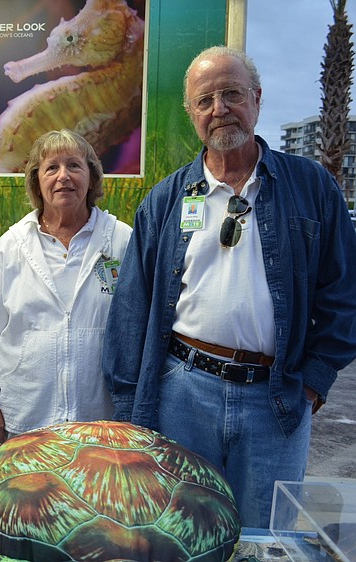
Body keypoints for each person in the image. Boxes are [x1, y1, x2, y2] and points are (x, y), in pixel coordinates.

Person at [103, 46, 356, 528]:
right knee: (182, 535)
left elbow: (345, 293)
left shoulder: (311, 187)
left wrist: (314, 380)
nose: (219, 109)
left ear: (257, 98)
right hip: (182, 397)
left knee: (264, 538)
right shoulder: (165, 200)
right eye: (205, 100)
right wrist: (129, 408)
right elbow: (131, 309)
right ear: (191, 114)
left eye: (231, 94)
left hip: (276, 399)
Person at [0, 129, 131, 450]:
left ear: (91, 177)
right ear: (36, 181)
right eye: (51, 168)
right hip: (27, 415)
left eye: (74, 165)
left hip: (99, 419)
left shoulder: (121, 240)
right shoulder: (11, 246)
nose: (63, 176)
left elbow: (139, 329)